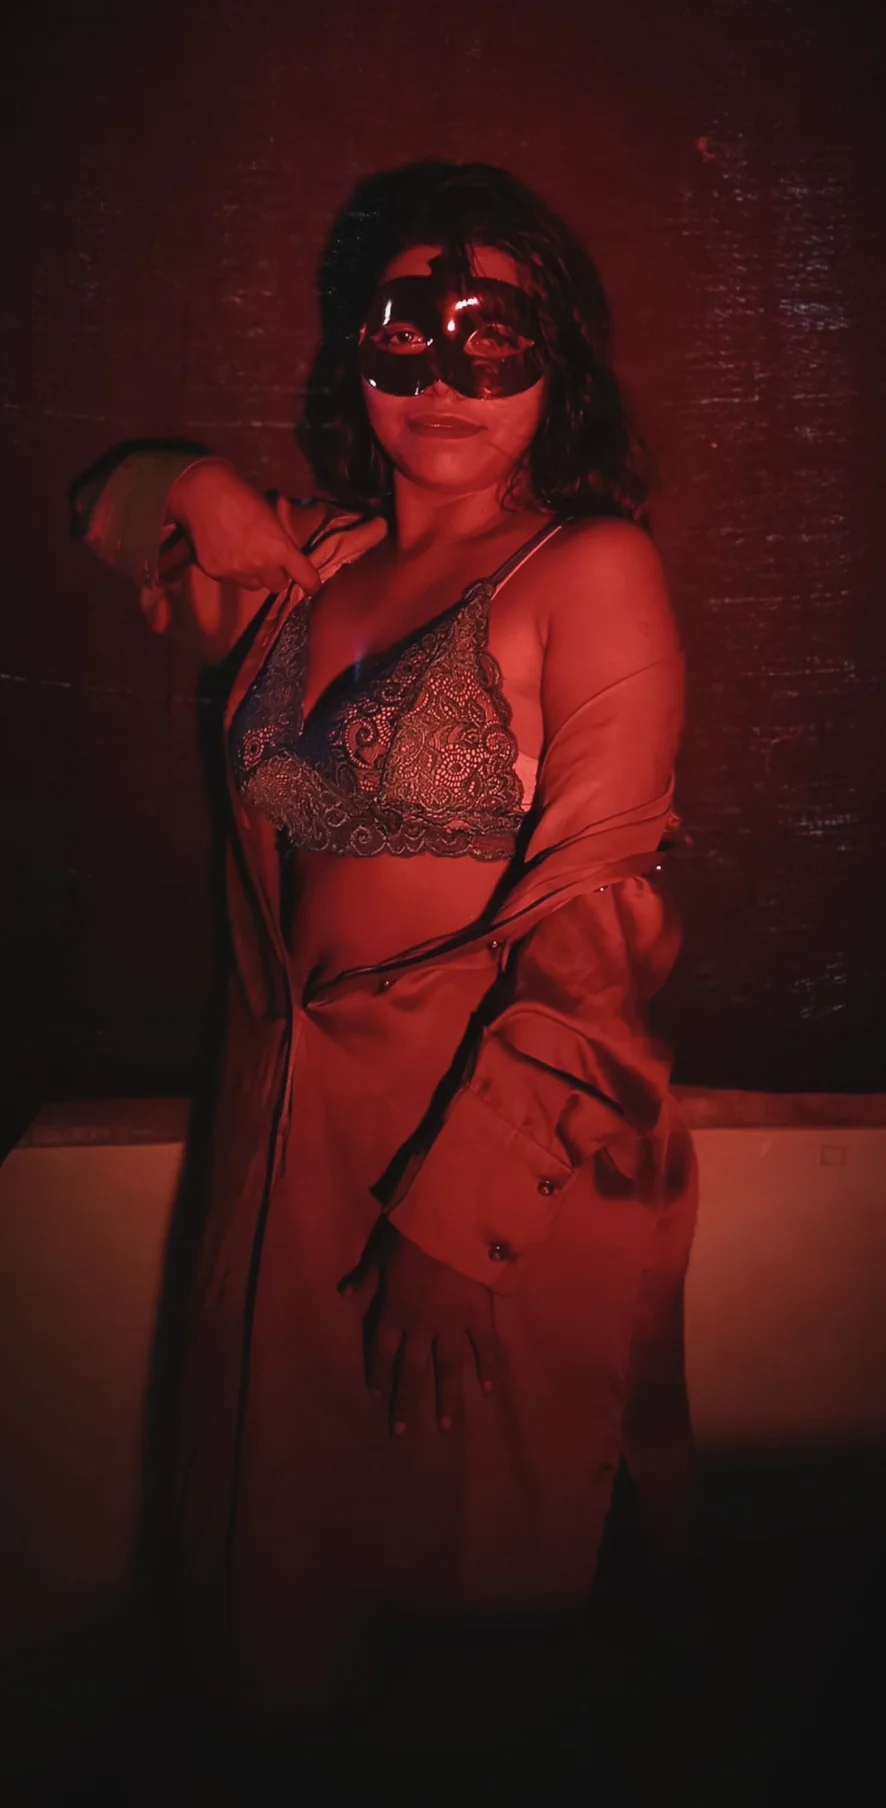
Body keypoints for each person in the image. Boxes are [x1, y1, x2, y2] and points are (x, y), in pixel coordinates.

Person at [72, 160, 698, 1760]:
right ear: (354, 349)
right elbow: (109, 512)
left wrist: (459, 1219)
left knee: (489, 1626)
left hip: (484, 1162)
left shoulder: (587, 566)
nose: (443, 378)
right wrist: (197, 480)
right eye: (405, 330)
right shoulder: (313, 567)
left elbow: (602, 916)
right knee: (287, 1615)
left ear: (557, 364)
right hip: (283, 1149)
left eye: (494, 339)